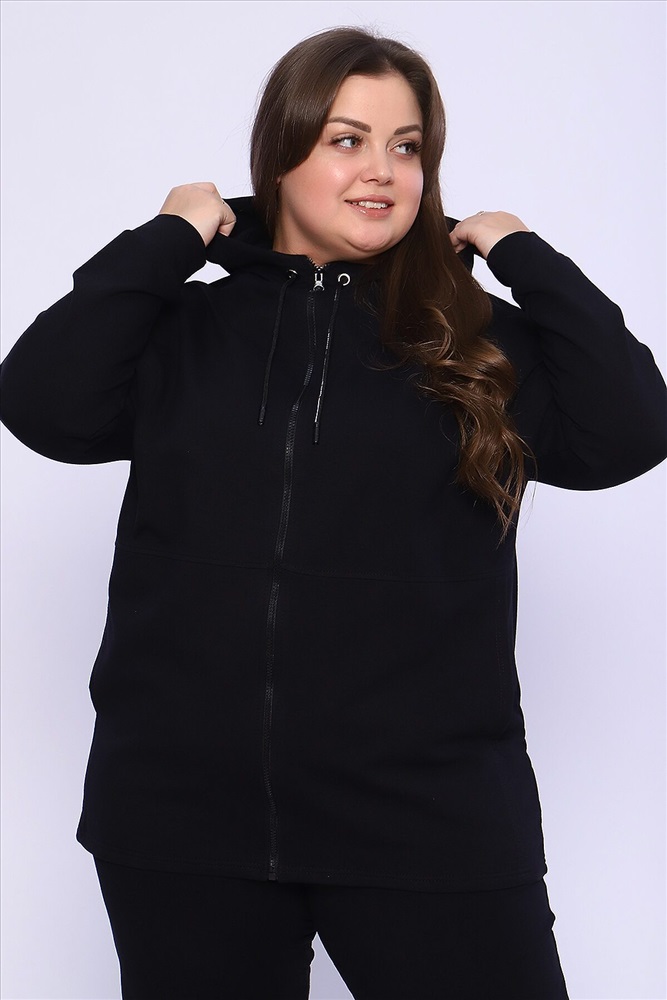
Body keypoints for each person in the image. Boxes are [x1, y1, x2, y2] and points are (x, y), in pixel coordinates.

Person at [1, 24, 665, 1000]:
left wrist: (523, 253)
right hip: (183, 821)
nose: (383, 170)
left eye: (407, 146)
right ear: (281, 155)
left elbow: (631, 429)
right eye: (347, 139)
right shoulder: (182, 331)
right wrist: (171, 237)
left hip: (426, 818)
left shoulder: (473, 342)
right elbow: (40, 401)